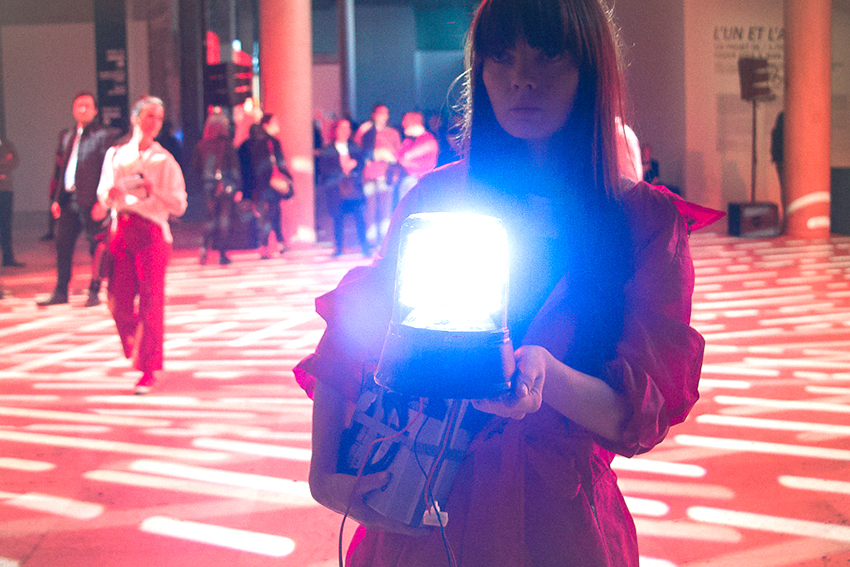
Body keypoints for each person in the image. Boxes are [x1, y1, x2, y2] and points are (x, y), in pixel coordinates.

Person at [295, 0, 713, 565]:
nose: (521, 78)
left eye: (547, 55)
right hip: (420, 500)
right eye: (501, 57)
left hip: (557, 522)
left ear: (589, 68)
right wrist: (325, 473)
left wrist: (546, 372)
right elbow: (354, 331)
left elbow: (639, 409)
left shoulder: (640, 221)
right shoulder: (438, 198)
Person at [96, 95, 187, 395]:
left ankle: (147, 369)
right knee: (117, 301)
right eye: (148, 115)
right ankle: (137, 345)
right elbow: (103, 197)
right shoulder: (116, 155)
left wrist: (154, 189)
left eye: (159, 117)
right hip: (121, 229)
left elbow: (179, 205)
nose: (153, 122)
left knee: (151, 302)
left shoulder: (164, 160)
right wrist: (110, 194)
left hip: (152, 233)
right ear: (135, 117)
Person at [37, 92, 117, 307]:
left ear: (95, 110)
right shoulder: (67, 136)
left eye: (87, 105)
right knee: (62, 244)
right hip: (69, 199)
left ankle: (94, 291)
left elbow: (107, 171)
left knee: (96, 246)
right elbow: (62, 169)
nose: (82, 109)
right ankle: (61, 291)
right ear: (73, 109)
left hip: (92, 200)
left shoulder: (102, 136)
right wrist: (56, 199)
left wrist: (104, 201)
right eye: (79, 105)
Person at [238, 113, 293, 259]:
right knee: (273, 214)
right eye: (274, 122)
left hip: (259, 186)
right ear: (265, 125)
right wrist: (288, 178)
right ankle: (274, 244)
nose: (277, 125)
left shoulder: (248, 144)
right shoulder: (272, 142)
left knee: (264, 216)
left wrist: (247, 190)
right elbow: (278, 163)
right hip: (270, 184)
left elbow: (246, 168)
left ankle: (266, 246)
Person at [192, 112, 242, 265]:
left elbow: (195, 168)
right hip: (225, 184)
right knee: (224, 219)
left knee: (210, 219)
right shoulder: (226, 144)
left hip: (207, 185)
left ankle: (203, 250)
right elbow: (234, 168)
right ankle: (222, 254)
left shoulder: (201, 145)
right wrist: (238, 187)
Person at [317, 118, 371, 257]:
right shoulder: (328, 149)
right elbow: (324, 169)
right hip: (336, 189)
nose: (345, 131)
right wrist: (341, 168)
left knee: (359, 217)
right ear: (335, 130)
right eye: (342, 128)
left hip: (354, 188)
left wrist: (353, 165)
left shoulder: (354, 147)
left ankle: (364, 247)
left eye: (347, 128)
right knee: (338, 218)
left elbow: (361, 163)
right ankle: (339, 248)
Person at [354, 104, 402, 245]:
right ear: (374, 114)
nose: (383, 116)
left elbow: (397, 154)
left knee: (386, 208)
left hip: (386, 174)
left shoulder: (393, 133)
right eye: (380, 113)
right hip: (369, 174)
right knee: (370, 207)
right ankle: (371, 239)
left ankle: (385, 241)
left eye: (385, 113)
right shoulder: (366, 131)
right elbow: (358, 150)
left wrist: (387, 157)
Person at [394, 110, 440, 203]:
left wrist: (403, 160)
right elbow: (400, 157)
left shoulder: (428, 140)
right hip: (411, 180)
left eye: (405, 123)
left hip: (422, 181)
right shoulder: (409, 141)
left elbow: (403, 158)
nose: (403, 125)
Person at [0, 136, 24, 267]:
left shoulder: (7, 144)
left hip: (5, 190)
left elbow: (15, 161)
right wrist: (5, 161)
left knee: (6, 225)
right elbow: (9, 161)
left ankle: (8, 258)